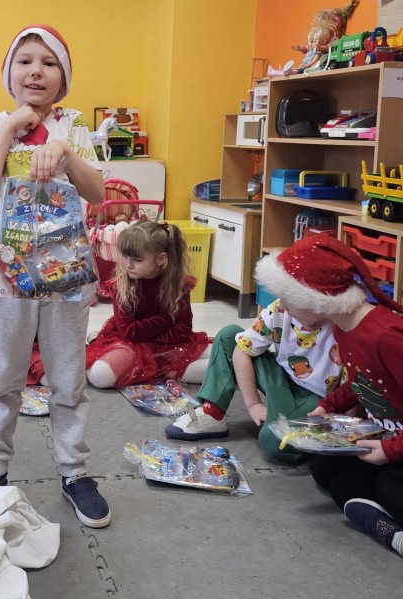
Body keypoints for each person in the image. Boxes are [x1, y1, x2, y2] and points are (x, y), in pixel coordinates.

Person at [0, 24, 111, 528]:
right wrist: (10, 128)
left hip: (68, 277)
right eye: (25, 61)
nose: (36, 71)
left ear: (63, 78)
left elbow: (97, 193)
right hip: (9, 278)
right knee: (4, 373)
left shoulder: (74, 125)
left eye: (49, 63)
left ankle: (75, 472)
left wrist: (65, 153)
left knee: (68, 377)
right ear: (9, 73)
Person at [254, 233, 403, 557]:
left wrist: (390, 450)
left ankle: (389, 524)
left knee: (390, 487)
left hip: (397, 442)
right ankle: (392, 531)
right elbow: (364, 381)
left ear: (315, 297)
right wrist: (328, 406)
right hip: (386, 435)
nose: (284, 308)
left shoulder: (386, 336)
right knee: (326, 472)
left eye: (289, 299)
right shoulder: (342, 328)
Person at [164, 296, 344, 462]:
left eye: (291, 299)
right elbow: (242, 349)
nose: (283, 304)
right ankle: (213, 412)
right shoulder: (281, 308)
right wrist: (253, 404)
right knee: (229, 336)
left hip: (317, 399)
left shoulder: (345, 325)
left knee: (274, 440)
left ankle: (299, 430)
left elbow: (351, 392)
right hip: (282, 376)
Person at [86, 220, 210, 390]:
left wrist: (149, 338)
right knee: (100, 376)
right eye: (125, 257)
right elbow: (130, 332)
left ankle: (157, 369)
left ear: (161, 259)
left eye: (137, 260)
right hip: (129, 345)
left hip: (168, 346)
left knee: (222, 358)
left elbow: (183, 330)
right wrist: (167, 318)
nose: (128, 265)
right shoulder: (120, 285)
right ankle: (161, 370)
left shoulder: (178, 285)